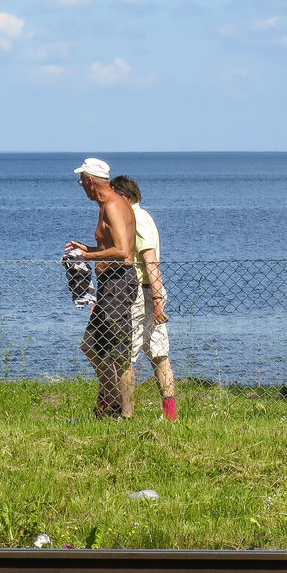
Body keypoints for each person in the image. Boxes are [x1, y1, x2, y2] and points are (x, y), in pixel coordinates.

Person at [65, 158, 138, 419]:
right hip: (109, 283)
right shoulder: (105, 205)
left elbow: (123, 251)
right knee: (91, 346)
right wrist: (88, 249)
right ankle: (113, 401)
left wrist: (88, 258)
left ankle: (126, 415)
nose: (81, 187)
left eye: (81, 182)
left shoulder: (114, 205)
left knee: (120, 353)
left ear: (90, 181)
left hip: (119, 282)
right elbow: (111, 247)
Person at [111, 174, 179, 422]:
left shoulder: (135, 219)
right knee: (159, 353)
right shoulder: (146, 216)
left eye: (114, 197)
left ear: (125, 198)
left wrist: (158, 300)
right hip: (152, 289)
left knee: (126, 354)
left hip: (141, 290)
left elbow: (150, 260)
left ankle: (126, 414)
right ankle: (169, 413)